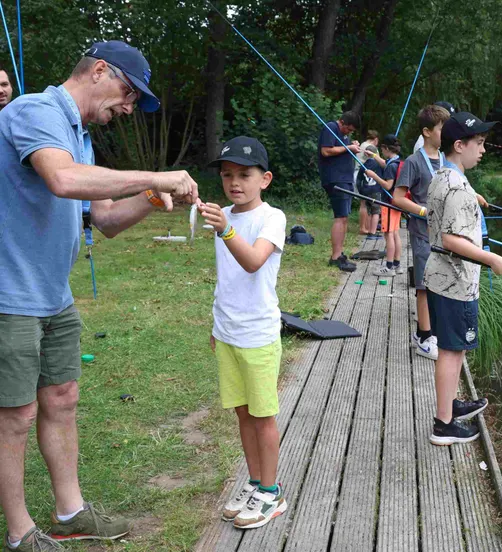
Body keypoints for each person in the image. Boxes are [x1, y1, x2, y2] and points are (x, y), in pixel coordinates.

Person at [0, 41, 199, 551]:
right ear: (99, 71)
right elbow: (63, 181)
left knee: (62, 399)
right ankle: (21, 533)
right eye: (128, 94)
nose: (128, 108)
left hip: (53, 294)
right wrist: (156, 174)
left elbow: (105, 218)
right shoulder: (34, 111)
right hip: (10, 295)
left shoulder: (80, 136)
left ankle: (70, 512)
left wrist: (154, 199)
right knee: (14, 415)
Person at [198, 136, 288, 530]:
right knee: (242, 413)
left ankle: (271, 492)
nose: (235, 182)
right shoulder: (225, 216)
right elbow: (227, 279)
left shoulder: (272, 218)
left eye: (245, 175)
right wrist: (216, 324)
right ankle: (254, 483)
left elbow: (252, 263)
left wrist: (226, 231)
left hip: (259, 335)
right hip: (229, 332)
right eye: (228, 174)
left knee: (263, 415)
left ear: (264, 179)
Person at [423, 112, 502, 446]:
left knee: (453, 348)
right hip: (455, 283)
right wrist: (494, 259)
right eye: (479, 143)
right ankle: (443, 424)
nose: (483, 150)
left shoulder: (444, 175)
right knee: (451, 350)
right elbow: (450, 239)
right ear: (459, 145)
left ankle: (449, 406)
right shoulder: (457, 187)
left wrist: (473, 198)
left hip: (441, 278)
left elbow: (452, 199)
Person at [394, 105, 451, 361]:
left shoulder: (448, 160)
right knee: (424, 286)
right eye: (442, 130)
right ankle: (424, 337)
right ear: (427, 132)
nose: (447, 134)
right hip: (422, 234)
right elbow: (398, 198)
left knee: (442, 283)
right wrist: (423, 211)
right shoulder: (413, 162)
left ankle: (434, 331)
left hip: (447, 236)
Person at [318, 110, 361, 272]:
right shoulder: (330, 127)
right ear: (341, 122)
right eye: (348, 129)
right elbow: (326, 151)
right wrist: (348, 147)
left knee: (344, 217)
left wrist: (352, 145)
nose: (349, 132)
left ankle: (340, 253)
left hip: (345, 179)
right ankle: (335, 257)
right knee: (340, 216)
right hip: (336, 179)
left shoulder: (343, 134)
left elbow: (343, 148)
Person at [365, 134, 403, 278]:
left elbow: (388, 185)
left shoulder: (390, 166)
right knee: (395, 233)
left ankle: (388, 267)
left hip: (388, 203)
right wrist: (374, 155)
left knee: (388, 235)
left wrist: (373, 175)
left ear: (386, 148)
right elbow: (386, 165)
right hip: (397, 202)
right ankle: (397, 264)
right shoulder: (397, 162)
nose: (381, 152)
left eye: (382, 150)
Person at [356, 144, 383, 240]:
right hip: (375, 190)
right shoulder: (378, 165)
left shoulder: (363, 165)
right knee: (376, 212)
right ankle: (372, 232)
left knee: (369, 211)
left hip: (365, 191)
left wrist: (360, 190)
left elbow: (358, 180)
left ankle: (368, 229)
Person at [356, 130, 379, 234]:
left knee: (364, 203)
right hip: (368, 177)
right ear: (376, 139)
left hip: (360, 175)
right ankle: (367, 228)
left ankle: (365, 227)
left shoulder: (362, 145)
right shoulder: (372, 149)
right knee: (370, 207)